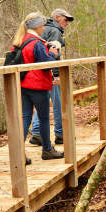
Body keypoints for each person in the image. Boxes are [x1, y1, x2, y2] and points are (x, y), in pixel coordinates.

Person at [12, 12, 64, 160]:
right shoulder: (36, 42)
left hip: (23, 85)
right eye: (42, 25)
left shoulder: (21, 40)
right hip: (38, 86)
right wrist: (53, 53)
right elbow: (46, 64)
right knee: (43, 118)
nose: (44, 28)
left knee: (25, 117)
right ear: (37, 26)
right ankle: (47, 150)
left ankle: (18, 154)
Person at [29, 8, 74, 146]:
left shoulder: (43, 29)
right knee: (58, 103)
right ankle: (60, 134)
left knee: (43, 102)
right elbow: (53, 55)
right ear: (56, 17)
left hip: (40, 72)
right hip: (51, 73)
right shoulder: (54, 31)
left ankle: (36, 132)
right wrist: (55, 75)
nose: (67, 23)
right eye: (65, 20)